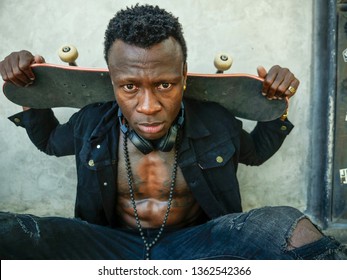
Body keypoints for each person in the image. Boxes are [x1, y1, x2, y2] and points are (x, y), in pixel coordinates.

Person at [0, 4, 346, 260]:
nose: (148, 105)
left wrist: (274, 106)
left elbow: (255, 151)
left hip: (197, 243)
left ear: (183, 75)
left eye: (164, 84)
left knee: (287, 226)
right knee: (11, 231)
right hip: (109, 243)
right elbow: (49, 141)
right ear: (112, 79)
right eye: (130, 86)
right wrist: (34, 93)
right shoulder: (92, 122)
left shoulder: (215, 121)